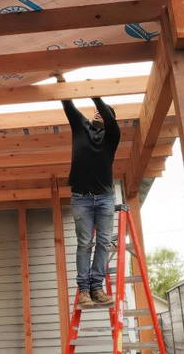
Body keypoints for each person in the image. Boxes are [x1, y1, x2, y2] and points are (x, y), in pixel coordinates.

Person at [54, 73, 120, 308]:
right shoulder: (80, 127)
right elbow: (67, 105)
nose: (98, 113)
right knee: (85, 243)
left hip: (104, 199)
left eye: (104, 112)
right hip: (81, 198)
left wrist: (95, 94)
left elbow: (110, 120)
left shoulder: (112, 137)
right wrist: (61, 82)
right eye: (97, 111)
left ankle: (96, 287)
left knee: (103, 242)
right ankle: (83, 290)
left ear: (111, 118)